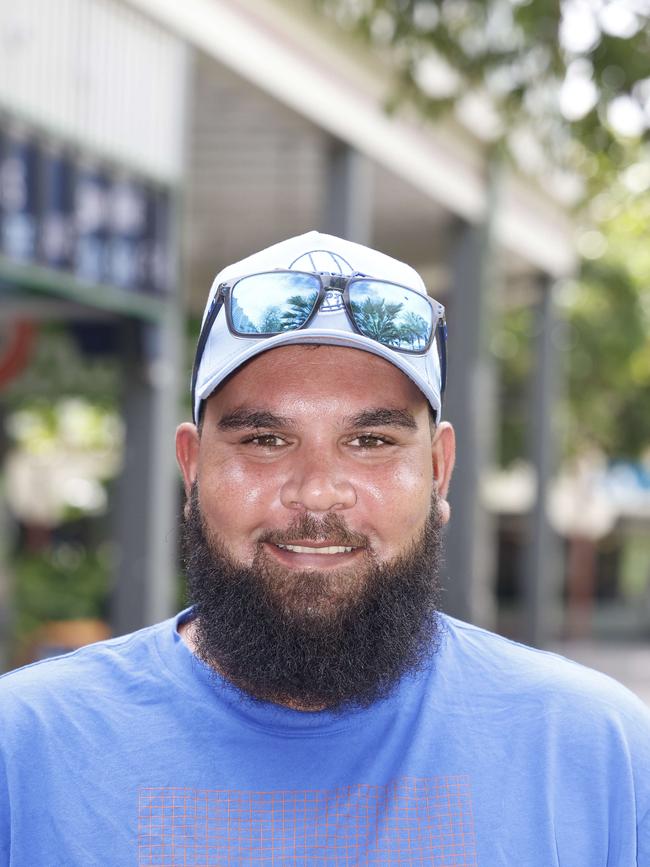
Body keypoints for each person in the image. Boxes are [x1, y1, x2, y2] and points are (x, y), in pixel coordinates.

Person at [0, 231, 649, 866]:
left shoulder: (595, 754)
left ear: (439, 470)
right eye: (264, 440)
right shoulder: (24, 754)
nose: (316, 493)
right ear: (192, 468)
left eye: (370, 441)